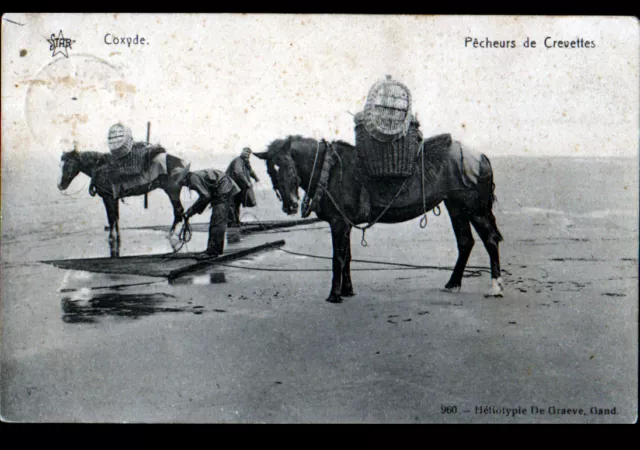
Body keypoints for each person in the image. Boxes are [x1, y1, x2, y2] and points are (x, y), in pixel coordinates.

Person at [170, 164, 241, 259]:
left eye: (181, 183)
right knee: (217, 220)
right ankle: (214, 249)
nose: (182, 185)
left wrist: (191, 211)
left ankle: (212, 252)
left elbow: (205, 196)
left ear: (183, 179)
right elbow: (206, 195)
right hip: (223, 188)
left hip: (224, 189)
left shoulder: (193, 179)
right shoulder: (194, 176)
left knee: (217, 221)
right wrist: (192, 210)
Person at [226, 147, 260, 227]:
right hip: (230, 186)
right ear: (243, 153)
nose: (247, 155)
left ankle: (236, 221)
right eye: (246, 153)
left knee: (237, 204)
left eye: (248, 154)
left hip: (238, 187)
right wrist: (247, 182)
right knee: (232, 204)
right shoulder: (238, 161)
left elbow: (250, 171)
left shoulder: (246, 162)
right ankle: (231, 223)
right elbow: (239, 173)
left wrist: (256, 177)